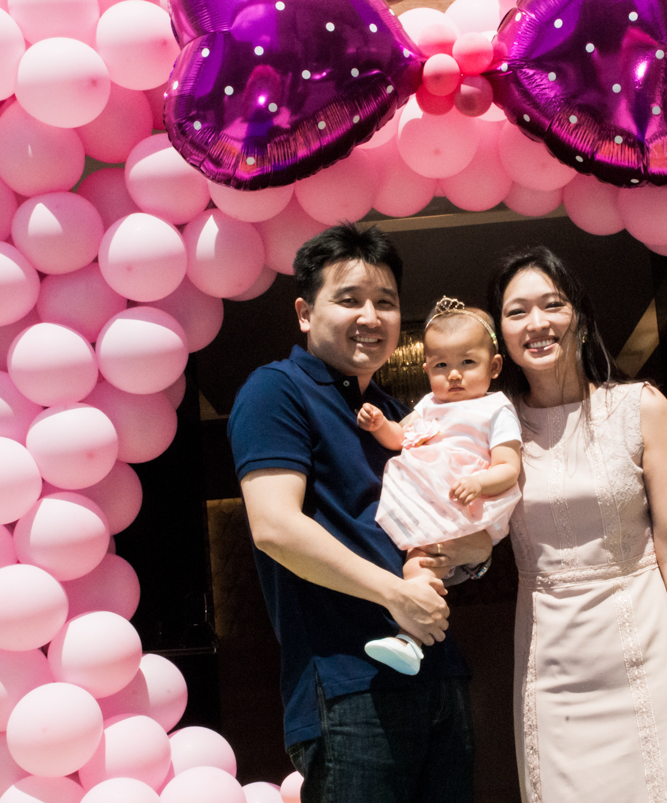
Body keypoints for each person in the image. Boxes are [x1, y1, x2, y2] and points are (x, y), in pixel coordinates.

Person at [227, 223, 492, 803]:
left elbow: (445, 524)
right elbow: (275, 527)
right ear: (304, 311)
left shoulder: (399, 414)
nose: (370, 316)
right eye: (349, 299)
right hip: (348, 685)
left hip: (438, 671)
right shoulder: (277, 391)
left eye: (386, 302)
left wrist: (472, 557)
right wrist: (396, 595)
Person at [488, 246, 667, 803]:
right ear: (500, 333)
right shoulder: (495, 430)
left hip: (647, 647)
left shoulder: (639, 408)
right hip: (551, 665)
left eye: (552, 304)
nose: (537, 323)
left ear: (581, 316)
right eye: (517, 311)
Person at [358, 296, 523, 675]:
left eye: (468, 363)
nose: (454, 375)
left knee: (428, 560)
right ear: (426, 368)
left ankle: (412, 637)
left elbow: (509, 468)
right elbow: (401, 437)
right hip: (432, 499)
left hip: (468, 503)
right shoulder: (429, 404)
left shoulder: (495, 409)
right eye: (442, 365)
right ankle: (410, 639)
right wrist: (379, 424)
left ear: (494, 366)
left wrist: (478, 483)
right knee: (418, 565)